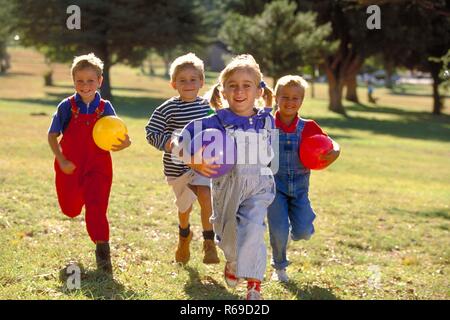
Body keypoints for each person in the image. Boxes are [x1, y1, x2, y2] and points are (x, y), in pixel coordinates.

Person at [173, 54, 275, 300]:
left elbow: (271, 154)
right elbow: (177, 142)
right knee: (227, 237)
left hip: (258, 188)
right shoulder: (215, 121)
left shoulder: (267, 120)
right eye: (233, 86)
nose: (240, 91)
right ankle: (232, 261)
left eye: (246, 85)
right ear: (224, 91)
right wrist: (192, 159)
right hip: (225, 189)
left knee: (253, 229)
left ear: (258, 91)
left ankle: (254, 285)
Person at [48, 53, 131, 275]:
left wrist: (124, 143)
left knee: (97, 207)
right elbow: (52, 136)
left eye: (90, 81)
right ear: (73, 81)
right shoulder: (67, 107)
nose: (85, 86)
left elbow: (118, 135)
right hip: (70, 167)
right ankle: (79, 198)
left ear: (100, 81)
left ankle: (103, 255)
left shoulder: (105, 108)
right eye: (80, 81)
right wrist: (62, 160)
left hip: (98, 167)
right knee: (71, 209)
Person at [145, 53, 219, 265]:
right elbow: (151, 132)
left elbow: (218, 132)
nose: (188, 84)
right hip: (177, 170)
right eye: (182, 80)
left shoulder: (207, 108)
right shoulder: (168, 108)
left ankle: (209, 243)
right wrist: (169, 144)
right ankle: (184, 235)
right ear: (173, 83)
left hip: (202, 167)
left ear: (201, 82)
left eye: (193, 79)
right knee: (184, 208)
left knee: (206, 196)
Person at [268, 75, 340, 282]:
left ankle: (298, 230)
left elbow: (330, 144)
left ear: (302, 100)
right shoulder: (267, 124)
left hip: (299, 188)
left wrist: (336, 151)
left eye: (295, 98)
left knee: (304, 232)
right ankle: (279, 268)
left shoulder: (308, 127)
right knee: (279, 231)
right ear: (276, 97)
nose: (290, 102)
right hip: (274, 187)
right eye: (285, 97)